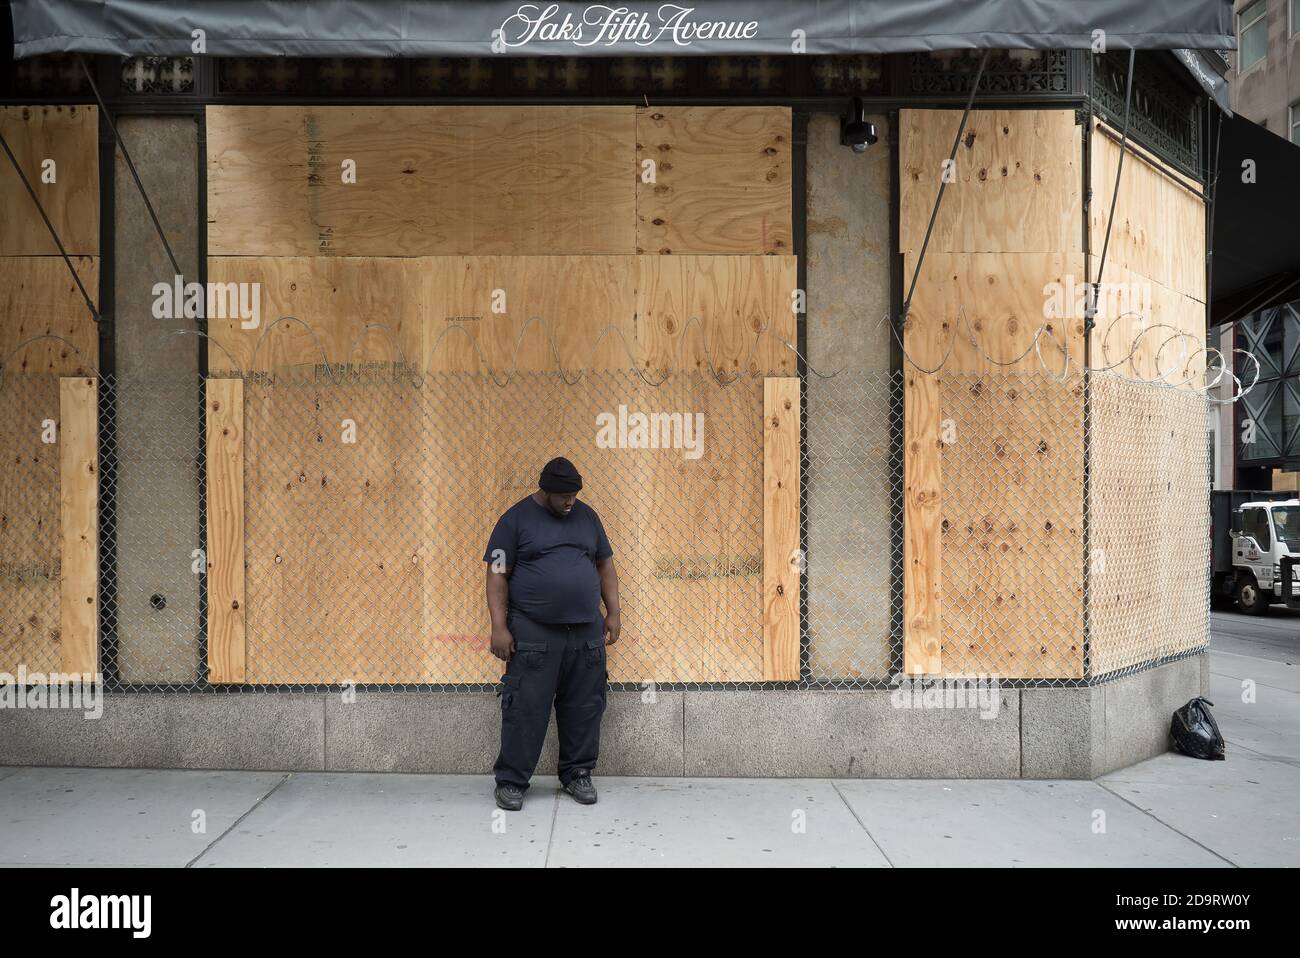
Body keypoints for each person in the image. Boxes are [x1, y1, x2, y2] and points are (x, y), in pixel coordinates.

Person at [483, 456, 621, 810]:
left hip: (585, 631)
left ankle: (577, 774)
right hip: (533, 632)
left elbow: (605, 563)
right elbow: (497, 574)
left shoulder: (588, 517)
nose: (570, 501)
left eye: (574, 494)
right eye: (563, 496)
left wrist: (614, 612)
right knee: (526, 706)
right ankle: (512, 781)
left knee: (585, 704)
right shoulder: (514, 521)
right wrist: (499, 627)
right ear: (545, 491)